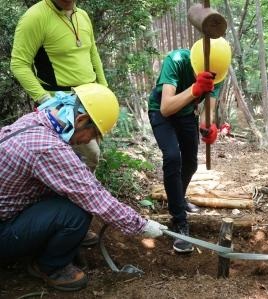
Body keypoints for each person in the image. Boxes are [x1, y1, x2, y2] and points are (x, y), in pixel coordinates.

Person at [0, 83, 167, 292]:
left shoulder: (37, 121)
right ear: (81, 120)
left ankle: (50, 241)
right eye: (94, 134)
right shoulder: (48, 148)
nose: (91, 140)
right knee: (77, 211)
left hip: (9, 210)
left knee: (74, 190)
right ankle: (49, 266)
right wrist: (140, 225)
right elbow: (93, 197)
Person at [148, 37, 231, 253]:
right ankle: (180, 222)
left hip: (186, 115)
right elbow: (166, 107)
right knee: (173, 157)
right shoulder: (176, 60)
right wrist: (195, 89)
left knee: (191, 163)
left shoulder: (217, 72)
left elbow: (207, 114)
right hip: (161, 113)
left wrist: (209, 128)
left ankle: (178, 197)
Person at [10, 0, 107, 171]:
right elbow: (19, 64)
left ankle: (81, 194)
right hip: (60, 106)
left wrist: (104, 90)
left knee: (89, 160)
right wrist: (47, 101)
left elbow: (93, 54)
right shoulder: (35, 17)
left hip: (91, 102)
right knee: (84, 157)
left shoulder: (82, 15)